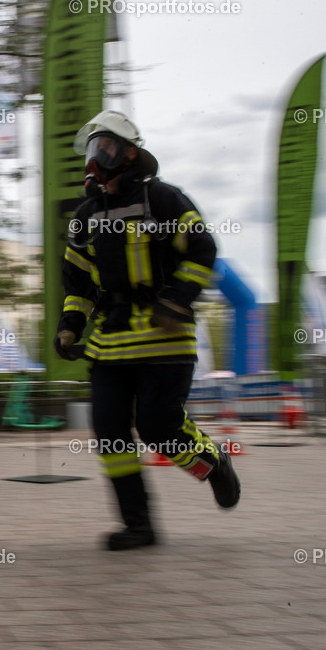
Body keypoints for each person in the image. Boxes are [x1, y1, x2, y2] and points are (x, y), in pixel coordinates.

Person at [54, 110, 241, 550]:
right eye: (92, 151)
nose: (95, 160)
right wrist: (69, 327)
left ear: (130, 153)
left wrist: (175, 300)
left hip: (165, 339)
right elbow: (77, 283)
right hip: (109, 344)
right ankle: (138, 525)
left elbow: (202, 249)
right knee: (110, 432)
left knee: (160, 428)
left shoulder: (166, 200)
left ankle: (212, 465)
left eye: (105, 148)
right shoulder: (85, 216)